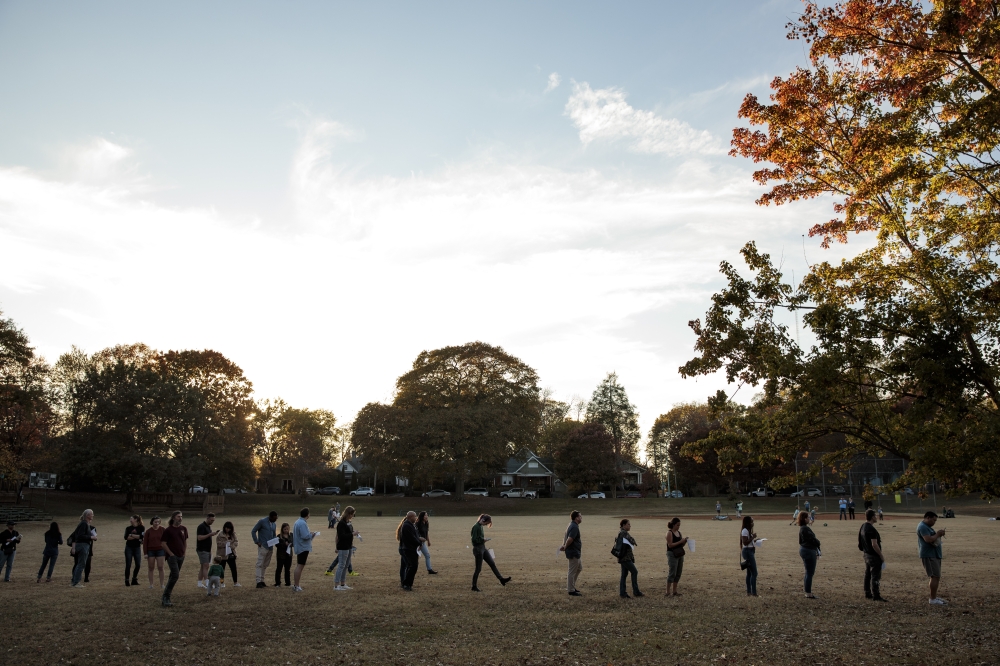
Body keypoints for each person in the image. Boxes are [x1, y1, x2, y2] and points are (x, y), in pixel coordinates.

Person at [470, 514, 510, 592]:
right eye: (486, 523)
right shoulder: (476, 527)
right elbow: (474, 540)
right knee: (478, 569)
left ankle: (501, 579)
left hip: (483, 548)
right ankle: (474, 586)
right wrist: (482, 540)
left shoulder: (480, 526)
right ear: (483, 520)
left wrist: (483, 540)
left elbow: (478, 538)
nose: (486, 525)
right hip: (478, 549)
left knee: (492, 563)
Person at [918, 511, 946, 605]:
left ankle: (934, 597)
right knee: (934, 576)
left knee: (936, 576)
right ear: (928, 518)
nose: (934, 522)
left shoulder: (928, 527)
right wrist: (938, 534)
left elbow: (933, 539)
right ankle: (932, 599)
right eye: (933, 520)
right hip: (929, 555)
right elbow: (928, 539)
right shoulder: (922, 527)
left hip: (935, 554)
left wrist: (939, 535)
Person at [161, 510, 189, 607]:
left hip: (181, 556)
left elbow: (184, 541)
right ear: (173, 518)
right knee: (175, 576)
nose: (180, 518)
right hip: (172, 556)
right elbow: (163, 544)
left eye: (181, 516)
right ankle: (166, 597)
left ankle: (165, 597)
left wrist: (184, 553)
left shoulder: (184, 529)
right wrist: (171, 554)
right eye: (178, 516)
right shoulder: (168, 530)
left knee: (172, 576)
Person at [858, 509, 886, 601]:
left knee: (867, 574)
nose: (877, 517)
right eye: (875, 515)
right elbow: (874, 544)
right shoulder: (871, 529)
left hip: (866, 554)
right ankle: (876, 595)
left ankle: (867, 593)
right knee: (875, 575)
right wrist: (881, 555)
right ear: (872, 517)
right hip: (873, 555)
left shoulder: (863, 526)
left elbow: (860, 543)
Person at [615, 519, 643, 599]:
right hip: (625, 557)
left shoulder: (621, 533)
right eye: (628, 524)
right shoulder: (623, 533)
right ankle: (636, 591)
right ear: (623, 525)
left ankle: (623, 593)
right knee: (634, 571)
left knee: (624, 575)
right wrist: (632, 540)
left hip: (623, 557)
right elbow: (632, 541)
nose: (629, 526)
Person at [292, 507, 317, 593]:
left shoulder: (298, 522)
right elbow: (305, 536)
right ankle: (296, 585)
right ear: (307, 514)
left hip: (300, 546)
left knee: (299, 565)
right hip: (303, 547)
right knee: (300, 566)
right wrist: (312, 535)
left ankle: (296, 585)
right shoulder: (302, 523)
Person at [250, 511, 278, 588]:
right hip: (263, 546)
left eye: (276, 518)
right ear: (270, 517)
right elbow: (253, 531)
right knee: (260, 564)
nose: (275, 520)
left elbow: (274, 534)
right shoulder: (262, 521)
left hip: (270, 547)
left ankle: (262, 580)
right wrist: (257, 541)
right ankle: (258, 581)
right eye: (274, 518)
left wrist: (277, 540)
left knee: (265, 564)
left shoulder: (274, 524)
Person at [69, 509, 96, 588]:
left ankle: (74, 581)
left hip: (83, 545)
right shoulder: (84, 524)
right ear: (87, 515)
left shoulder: (84, 524)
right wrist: (91, 537)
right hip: (82, 546)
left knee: (79, 564)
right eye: (92, 514)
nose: (93, 516)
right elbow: (80, 536)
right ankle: (76, 582)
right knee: (81, 564)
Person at [797, 510, 820, 599]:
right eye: (808, 517)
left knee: (808, 572)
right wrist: (818, 542)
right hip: (808, 551)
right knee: (810, 572)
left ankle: (807, 591)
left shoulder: (802, 528)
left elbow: (800, 541)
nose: (809, 519)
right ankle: (808, 593)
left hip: (804, 549)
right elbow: (812, 539)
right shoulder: (805, 529)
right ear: (805, 518)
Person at [334, 506, 358, 591]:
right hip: (343, 546)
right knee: (341, 565)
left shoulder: (348, 522)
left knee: (346, 565)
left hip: (349, 546)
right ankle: (336, 585)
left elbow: (349, 532)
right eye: (352, 514)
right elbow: (341, 536)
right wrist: (352, 534)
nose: (352, 516)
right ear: (348, 513)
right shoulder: (341, 523)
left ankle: (343, 583)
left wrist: (354, 533)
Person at [560, 510, 583, 596]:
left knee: (579, 568)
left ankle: (572, 586)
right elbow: (570, 538)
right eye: (580, 516)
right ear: (576, 518)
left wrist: (564, 545)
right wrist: (565, 546)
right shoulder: (574, 527)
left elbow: (565, 536)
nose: (581, 518)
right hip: (573, 552)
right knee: (572, 571)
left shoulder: (571, 525)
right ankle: (571, 590)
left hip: (575, 551)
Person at [195, 513, 219, 589]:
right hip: (202, 549)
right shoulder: (201, 526)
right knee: (206, 566)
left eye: (213, 520)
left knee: (203, 567)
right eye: (211, 520)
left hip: (207, 549)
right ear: (207, 518)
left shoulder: (208, 527)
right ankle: (208, 583)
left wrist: (213, 534)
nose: (212, 522)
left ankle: (199, 583)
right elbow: (199, 538)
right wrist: (209, 534)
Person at [398, 511, 421, 591]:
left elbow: (415, 535)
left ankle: (407, 583)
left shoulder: (411, 525)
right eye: (415, 516)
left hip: (411, 549)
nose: (416, 518)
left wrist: (419, 541)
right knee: (412, 566)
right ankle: (406, 583)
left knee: (411, 566)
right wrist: (419, 542)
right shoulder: (407, 526)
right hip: (408, 549)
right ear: (411, 517)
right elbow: (412, 538)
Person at [665, 517, 687, 597]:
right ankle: (667, 591)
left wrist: (684, 542)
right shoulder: (669, 533)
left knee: (678, 572)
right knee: (672, 572)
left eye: (679, 525)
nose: (678, 527)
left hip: (679, 553)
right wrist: (680, 541)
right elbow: (670, 545)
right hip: (672, 554)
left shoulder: (679, 533)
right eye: (677, 525)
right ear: (673, 524)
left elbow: (681, 545)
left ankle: (674, 591)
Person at [143, 516, 166, 589]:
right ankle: (151, 584)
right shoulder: (148, 531)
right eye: (155, 522)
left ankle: (162, 584)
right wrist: (145, 553)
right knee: (151, 567)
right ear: (152, 522)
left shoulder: (162, 529)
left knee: (161, 567)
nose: (156, 523)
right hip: (150, 551)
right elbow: (145, 542)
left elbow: (167, 539)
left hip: (160, 550)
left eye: (158, 522)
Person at [216, 521, 240, 587]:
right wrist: (226, 544)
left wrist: (231, 546)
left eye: (229, 528)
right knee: (221, 570)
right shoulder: (220, 535)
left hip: (231, 554)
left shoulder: (233, 534)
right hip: (222, 554)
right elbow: (218, 544)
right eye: (226, 528)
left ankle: (235, 582)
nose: (228, 530)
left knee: (233, 569)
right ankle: (221, 583)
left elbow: (236, 542)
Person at [124, 514, 145, 587]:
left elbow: (141, 537)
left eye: (131, 518)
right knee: (128, 564)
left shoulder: (141, 528)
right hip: (129, 547)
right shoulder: (128, 528)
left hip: (137, 548)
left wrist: (131, 535)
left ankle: (134, 579)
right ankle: (126, 580)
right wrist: (137, 537)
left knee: (138, 564)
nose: (130, 520)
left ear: (136, 519)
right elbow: (126, 537)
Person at [740, 516, 758, 597]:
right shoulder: (744, 531)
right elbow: (745, 542)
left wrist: (755, 540)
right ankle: (753, 592)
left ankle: (749, 592)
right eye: (751, 521)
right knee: (754, 572)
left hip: (749, 551)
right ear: (748, 522)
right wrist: (752, 537)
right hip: (748, 552)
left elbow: (748, 541)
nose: (752, 523)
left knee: (749, 573)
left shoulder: (747, 530)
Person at [274, 523, 293, 587]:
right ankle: (277, 583)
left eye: (287, 529)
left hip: (289, 554)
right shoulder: (279, 536)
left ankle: (288, 582)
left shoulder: (291, 535)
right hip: (281, 555)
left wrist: (290, 544)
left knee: (287, 569)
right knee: (279, 569)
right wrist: (284, 544)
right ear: (282, 529)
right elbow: (277, 545)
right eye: (285, 529)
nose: (286, 530)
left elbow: (294, 542)